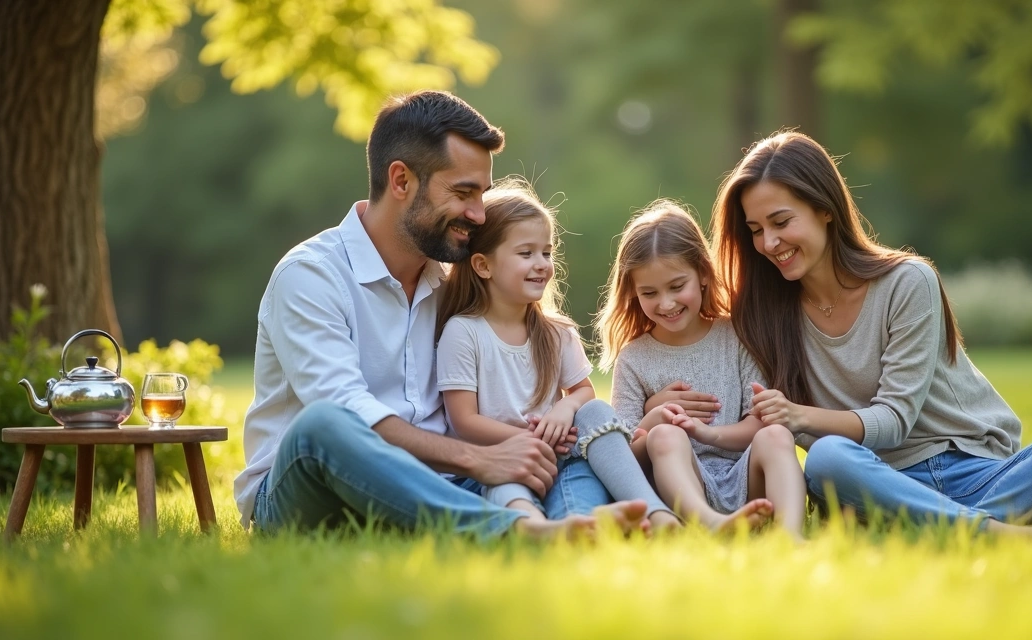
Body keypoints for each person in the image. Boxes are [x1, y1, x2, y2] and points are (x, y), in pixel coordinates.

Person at [233, 90, 635, 539]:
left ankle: (582, 525)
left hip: (441, 484)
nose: (479, 215)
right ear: (401, 181)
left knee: (568, 436)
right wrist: (477, 459)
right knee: (323, 425)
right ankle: (511, 532)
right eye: (463, 193)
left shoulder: (452, 282)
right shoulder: (311, 275)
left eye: (481, 194)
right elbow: (345, 406)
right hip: (310, 492)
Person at [710, 131, 1032, 534]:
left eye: (780, 221)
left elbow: (894, 420)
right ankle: (1000, 532)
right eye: (756, 229)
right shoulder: (761, 315)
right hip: (870, 477)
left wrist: (799, 416)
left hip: (975, 474)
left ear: (824, 209)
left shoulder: (907, 281)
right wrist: (659, 404)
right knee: (828, 458)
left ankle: (940, 525)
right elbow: (718, 380)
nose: (769, 242)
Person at [436, 180, 676, 533]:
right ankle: (536, 528)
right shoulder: (464, 332)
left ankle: (651, 514)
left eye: (546, 253)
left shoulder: (556, 331)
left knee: (594, 414)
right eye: (526, 253)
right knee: (508, 485)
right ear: (483, 265)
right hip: (502, 461)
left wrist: (565, 408)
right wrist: (528, 444)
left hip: (561, 458)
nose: (541, 264)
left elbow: (583, 392)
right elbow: (464, 421)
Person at [596, 200, 806, 538]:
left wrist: (707, 433)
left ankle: (790, 536)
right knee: (665, 435)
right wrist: (655, 419)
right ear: (633, 293)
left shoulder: (736, 335)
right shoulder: (634, 358)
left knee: (777, 433)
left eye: (677, 286)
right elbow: (623, 459)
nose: (666, 303)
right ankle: (709, 526)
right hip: (680, 484)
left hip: (743, 475)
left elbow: (758, 421)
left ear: (704, 275)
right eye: (649, 292)